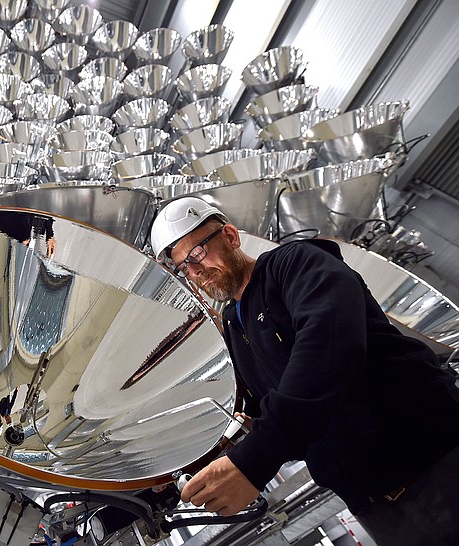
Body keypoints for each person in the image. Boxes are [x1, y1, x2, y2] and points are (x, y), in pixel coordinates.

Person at [149, 197, 459, 544]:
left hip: (434, 461)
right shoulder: (236, 329)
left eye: (198, 254)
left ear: (231, 236)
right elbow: (264, 410)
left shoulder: (294, 264)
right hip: (375, 503)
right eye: (184, 268)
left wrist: (257, 459)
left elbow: (330, 345)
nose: (196, 272)